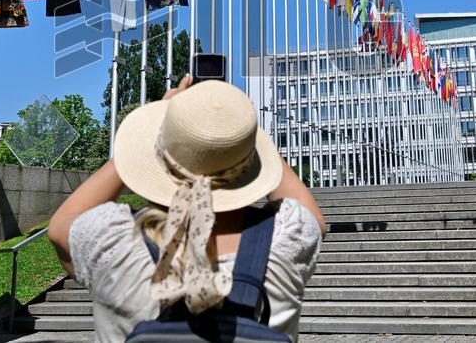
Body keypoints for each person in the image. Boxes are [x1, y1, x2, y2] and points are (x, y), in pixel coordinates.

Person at [48, 76, 326, 342]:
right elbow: (313, 216)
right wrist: (236, 129)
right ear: (250, 161)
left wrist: (165, 117)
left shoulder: (112, 239)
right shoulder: (288, 240)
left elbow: (61, 223)